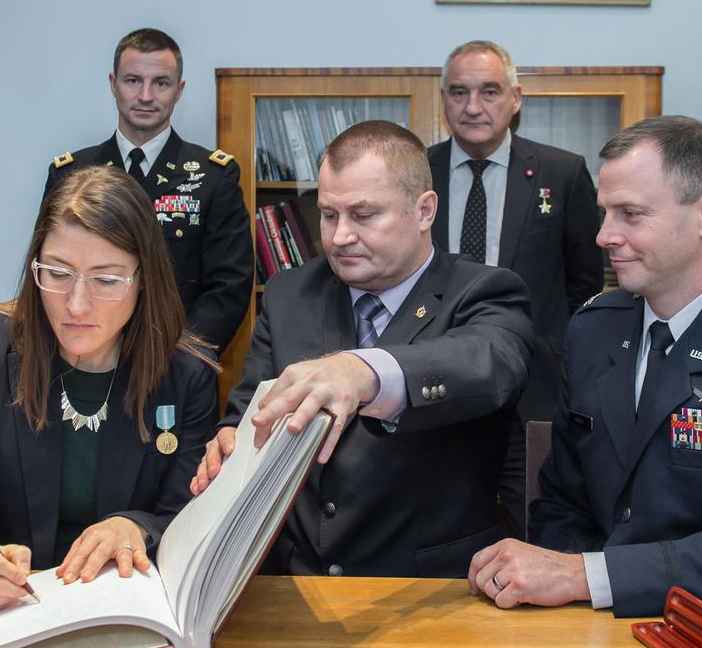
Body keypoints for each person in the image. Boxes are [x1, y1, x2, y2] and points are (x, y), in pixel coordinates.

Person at [468, 117, 702, 618]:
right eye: (605, 213)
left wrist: (585, 576)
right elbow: (562, 503)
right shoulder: (593, 330)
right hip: (585, 626)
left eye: (630, 214)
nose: (604, 235)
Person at [191, 121, 534, 578]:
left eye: (364, 215)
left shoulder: (483, 292)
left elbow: (488, 364)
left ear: (424, 210)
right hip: (296, 583)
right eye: (329, 214)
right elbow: (248, 407)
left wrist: (363, 371)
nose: (338, 237)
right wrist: (231, 440)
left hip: (426, 590)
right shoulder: (290, 292)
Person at [0, 167, 220, 612]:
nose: (77, 305)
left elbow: (186, 514)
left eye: (105, 280)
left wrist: (135, 527)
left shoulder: (186, 376)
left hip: (124, 609)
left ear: (144, 279)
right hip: (15, 608)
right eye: (58, 274)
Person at [428, 39, 603, 531]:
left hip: (535, 392)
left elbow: (584, 289)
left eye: (489, 91)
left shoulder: (562, 173)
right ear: (443, 99)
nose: (473, 107)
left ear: (516, 97)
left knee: (536, 529)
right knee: (441, 534)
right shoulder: (417, 173)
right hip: (437, 389)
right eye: (459, 93)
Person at [45, 27, 253, 355]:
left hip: (177, 361)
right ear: (113, 84)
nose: (145, 95)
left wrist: (181, 356)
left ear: (179, 89)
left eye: (160, 82)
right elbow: (53, 270)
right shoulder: (72, 174)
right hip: (87, 356)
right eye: (133, 81)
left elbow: (230, 285)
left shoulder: (214, 176)